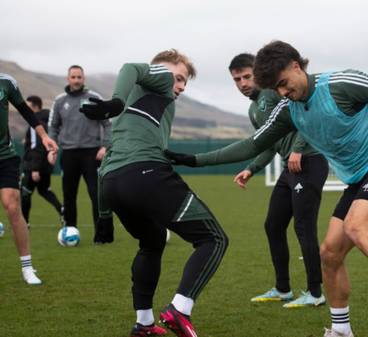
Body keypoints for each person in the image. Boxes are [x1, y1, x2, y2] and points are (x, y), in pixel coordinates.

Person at [165, 41, 368, 337]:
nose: (282, 92)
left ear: (297, 66)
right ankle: (341, 330)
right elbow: (253, 144)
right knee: (330, 253)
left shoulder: (340, 84)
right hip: (358, 177)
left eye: (283, 83)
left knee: (357, 226)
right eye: (275, 88)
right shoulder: (288, 109)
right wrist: (194, 160)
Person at [80, 49, 229, 337]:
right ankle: (179, 309)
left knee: (153, 241)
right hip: (146, 175)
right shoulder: (159, 78)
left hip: (113, 182)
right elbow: (129, 66)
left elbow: (109, 160)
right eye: (180, 78)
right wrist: (115, 103)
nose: (182, 86)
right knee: (213, 238)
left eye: (185, 83)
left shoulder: (153, 103)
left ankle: (144, 324)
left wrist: (103, 215)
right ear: (162, 69)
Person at [229, 53, 329, 308]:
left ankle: (315, 293)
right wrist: (251, 169)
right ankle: (283, 289)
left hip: (309, 160)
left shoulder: (275, 93)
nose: (242, 83)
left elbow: (306, 117)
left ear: (259, 73)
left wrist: (298, 147)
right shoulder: (254, 109)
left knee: (304, 227)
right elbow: (269, 143)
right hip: (290, 169)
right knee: (273, 225)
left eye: (247, 76)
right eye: (237, 79)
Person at [0, 39, 58, 285]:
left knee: (12, 207)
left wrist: (44, 137)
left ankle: (28, 268)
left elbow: (27, 112)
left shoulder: (6, 83)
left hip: (3, 157)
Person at [48, 65, 114, 244]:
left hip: (92, 153)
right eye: (73, 77)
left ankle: (101, 236)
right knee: (69, 195)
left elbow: (107, 123)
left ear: (83, 79)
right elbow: (53, 127)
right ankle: (70, 232)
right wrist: (52, 147)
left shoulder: (94, 98)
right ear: (68, 79)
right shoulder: (60, 101)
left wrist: (105, 147)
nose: (76, 80)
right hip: (68, 154)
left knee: (96, 195)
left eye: (79, 77)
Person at [20, 95, 64, 226]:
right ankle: (62, 209)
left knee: (25, 193)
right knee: (44, 191)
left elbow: (37, 148)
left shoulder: (35, 123)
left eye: (28, 107)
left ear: (35, 107)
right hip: (46, 166)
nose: (26, 110)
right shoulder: (47, 121)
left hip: (34, 167)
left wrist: (34, 169)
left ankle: (24, 223)